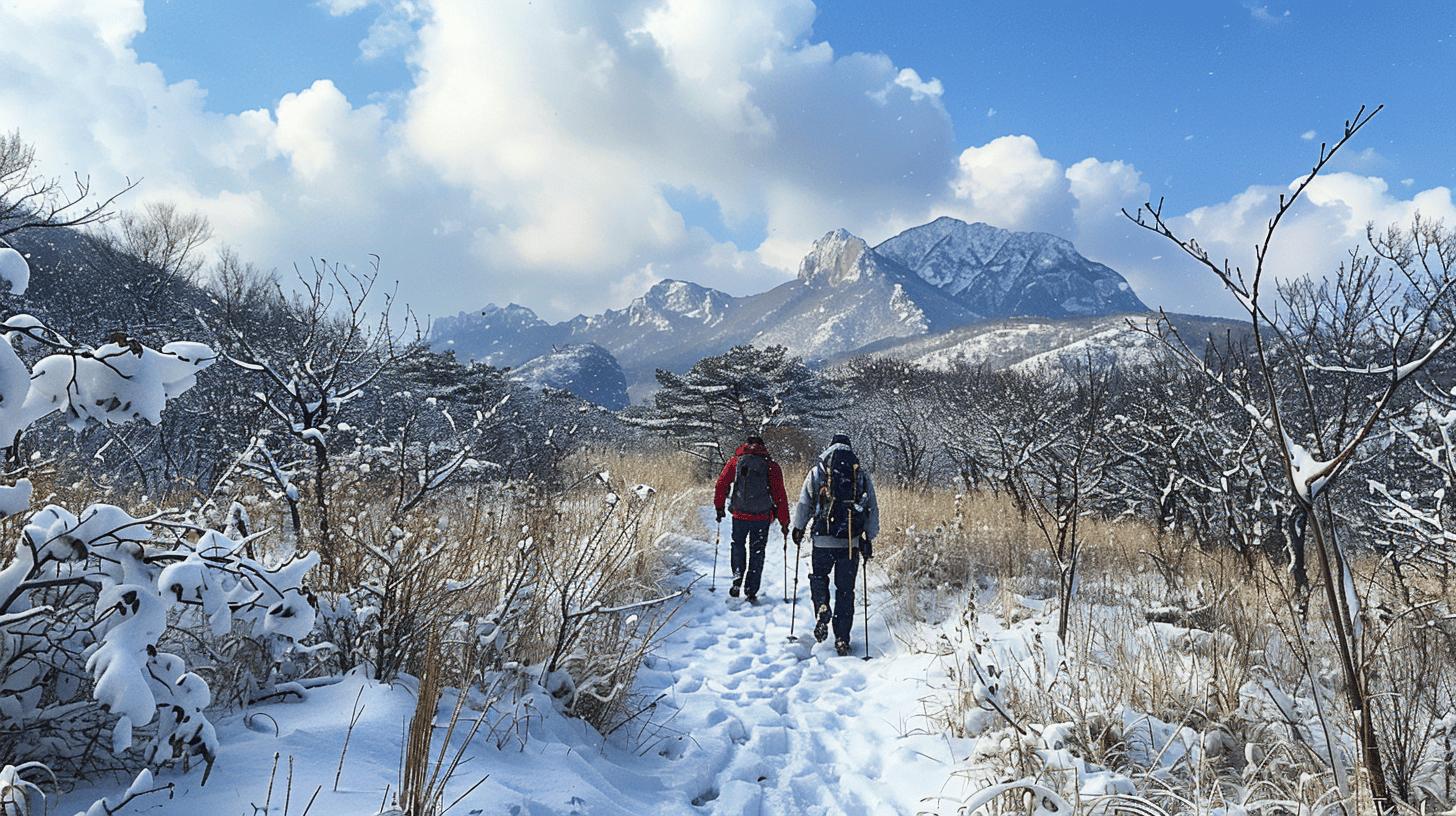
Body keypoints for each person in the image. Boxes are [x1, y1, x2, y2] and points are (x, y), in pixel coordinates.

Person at [791, 433, 878, 656]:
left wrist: (798, 527)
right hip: (850, 541)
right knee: (845, 590)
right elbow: (871, 508)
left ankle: (822, 605)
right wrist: (869, 537)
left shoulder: (818, 471)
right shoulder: (859, 473)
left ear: (829, 447)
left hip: (822, 539)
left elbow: (805, 502)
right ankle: (842, 638)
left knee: (819, 577)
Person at [714, 433, 790, 603]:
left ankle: (737, 576)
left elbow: (721, 484)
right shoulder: (771, 466)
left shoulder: (735, 461)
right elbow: (780, 495)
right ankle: (751, 589)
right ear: (764, 448)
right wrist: (785, 521)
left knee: (738, 545)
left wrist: (719, 507)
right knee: (757, 551)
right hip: (761, 517)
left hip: (740, 514)